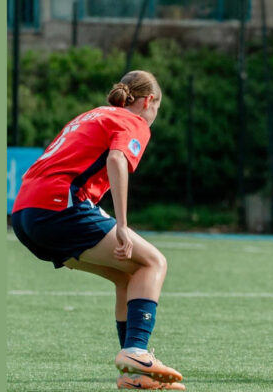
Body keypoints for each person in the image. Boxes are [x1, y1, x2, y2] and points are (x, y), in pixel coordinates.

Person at [11, 70, 186, 390]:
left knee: (127, 275)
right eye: (156, 109)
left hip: (24, 214)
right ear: (148, 101)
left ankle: (134, 374)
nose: (154, 116)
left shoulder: (92, 115)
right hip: (57, 207)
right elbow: (117, 159)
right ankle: (136, 351)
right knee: (154, 262)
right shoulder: (134, 122)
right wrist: (121, 224)